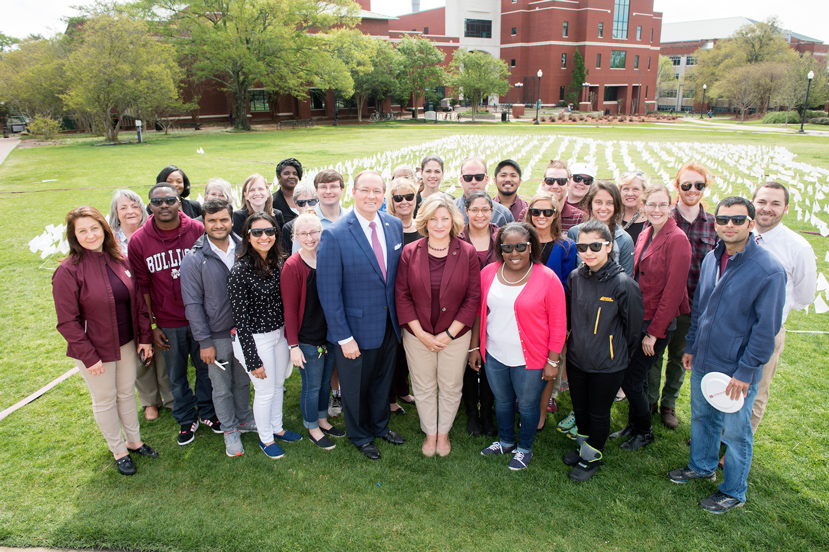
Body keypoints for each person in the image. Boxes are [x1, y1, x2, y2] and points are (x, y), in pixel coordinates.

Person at [668, 196, 786, 514]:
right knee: (703, 417)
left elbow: (766, 331)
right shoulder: (711, 258)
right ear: (715, 223)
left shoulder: (769, 271)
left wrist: (747, 371)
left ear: (750, 223)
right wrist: (691, 345)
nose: (729, 225)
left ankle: (733, 490)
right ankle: (702, 465)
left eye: (737, 219)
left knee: (735, 432)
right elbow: (701, 308)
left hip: (737, 368)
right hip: (705, 359)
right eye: (722, 220)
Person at [52, 206, 158, 476]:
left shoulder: (119, 259)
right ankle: (118, 450)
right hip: (94, 350)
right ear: (74, 236)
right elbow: (67, 322)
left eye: (94, 228)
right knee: (105, 398)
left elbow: (137, 303)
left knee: (125, 394)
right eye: (82, 231)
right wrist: (89, 356)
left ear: (104, 229)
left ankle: (134, 441)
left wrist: (144, 338)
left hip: (125, 343)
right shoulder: (67, 271)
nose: (90, 235)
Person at [317, 170, 406, 461]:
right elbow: (329, 292)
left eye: (377, 191)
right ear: (353, 192)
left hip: (388, 326)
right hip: (353, 331)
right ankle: (360, 435)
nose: (371, 196)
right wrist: (344, 337)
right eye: (365, 190)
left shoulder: (394, 225)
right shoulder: (335, 233)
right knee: (355, 389)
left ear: (384, 195)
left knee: (382, 382)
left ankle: (380, 427)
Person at [470, 222, 566, 471]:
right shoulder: (489, 273)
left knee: (527, 404)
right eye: (508, 247)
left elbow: (558, 323)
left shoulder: (547, 278)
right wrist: (475, 348)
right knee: (502, 401)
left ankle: (524, 448)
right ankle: (505, 441)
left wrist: (553, 361)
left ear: (531, 247)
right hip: (495, 354)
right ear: (500, 249)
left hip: (532, 358)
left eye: (521, 247)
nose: (515, 253)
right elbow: (480, 313)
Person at [129, 183, 218, 446]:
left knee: (206, 370)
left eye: (170, 200)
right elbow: (142, 286)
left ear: (180, 202)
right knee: (176, 375)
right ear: (150, 206)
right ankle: (185, 418)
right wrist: (152, 325)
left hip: (200, 319)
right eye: (158, 202)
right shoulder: (139, 241)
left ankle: (208, 413)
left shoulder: (198, 230)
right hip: (168, 322)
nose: (164, 205)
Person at [396, 195, 482, 457]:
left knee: (450, 385)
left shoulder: (466, 252)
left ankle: (443, 433)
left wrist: (448, 334)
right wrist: (421, 334)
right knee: (422, 386)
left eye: (444, 218)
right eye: (433, 218)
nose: (439, 224)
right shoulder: (411, 252)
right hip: (417, 335)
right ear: (425, 221)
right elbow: (402, 295)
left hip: (454, 336)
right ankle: (429, 433)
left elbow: (473, 297)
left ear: (454, 220)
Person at [612, 184, 691, 450]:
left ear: (671, 206)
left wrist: (655, 332)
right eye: (652, 205)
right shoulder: (646, 233)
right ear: (644, 207)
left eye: (662, 205)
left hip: (657, 323)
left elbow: (673, 291)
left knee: (631, 379)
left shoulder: (677, 238)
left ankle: (645, 431)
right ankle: (633, 426)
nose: (656, 210)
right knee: (638, 377)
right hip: (639, 317)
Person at [563, 220, 644, 481]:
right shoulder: (576, 277)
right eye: (582, 246)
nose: (588, 252)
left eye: (595, 246)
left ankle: (592, 457)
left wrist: (615, 354)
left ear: (609, 246)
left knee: (598, 413)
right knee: (581, 408)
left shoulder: (624, 284)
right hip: (577, 360)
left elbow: (633, 331)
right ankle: (583, 447)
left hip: (608, 365)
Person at [181, 199, 256, 457]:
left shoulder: (246, 247)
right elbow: (192, 304)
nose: (218, 225)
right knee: (221, 386)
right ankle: (230, 429)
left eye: (223, 219)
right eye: (211, 220)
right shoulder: (194, 258)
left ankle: (245, 419)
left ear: (231, 219)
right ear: (203, 222)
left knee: (243, 379)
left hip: (246, 332)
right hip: (217, 335)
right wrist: (204, 342)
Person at [228, 213, 303, 459]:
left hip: (279, 335)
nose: (264, 237)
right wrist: (252, 359)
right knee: (265, 390)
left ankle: (278, 428)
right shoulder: (239, 270)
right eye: (257, 232)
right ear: (247, 236)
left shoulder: (281, 261)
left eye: (269, 231)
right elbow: (240, 319)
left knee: (278, 385)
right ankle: (266, 438)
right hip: (256, 339)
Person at [648, 162, 716, 429]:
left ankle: (669, 403)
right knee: (652, 355)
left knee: (679, 357)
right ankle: (650, 400)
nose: (692, 190)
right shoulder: (663, 217)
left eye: (699, 185)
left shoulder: (712, 223)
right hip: (660, 302)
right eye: (686, 185)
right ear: (677, 187)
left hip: (691, 306)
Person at [750, 182, 817, 433]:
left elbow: (805, 295)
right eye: (762, 202)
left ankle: (735, 449)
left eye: (776, 203)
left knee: (757, 389)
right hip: (732, 326)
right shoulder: (737, 234)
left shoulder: (798, 247)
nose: (768, 208)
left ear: (786, 208)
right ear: (753, 203)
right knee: (727, 383)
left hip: (767, 330)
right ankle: (718, 435)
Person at [281, 212, 346, 450]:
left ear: (322, 232)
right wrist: (293, 345)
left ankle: (322, 419)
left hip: (329, 335)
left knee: (326, 382)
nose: (310, 238)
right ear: (295, 236)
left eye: (314, 232)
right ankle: (312, 427)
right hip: (307, 339)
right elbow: (289, 309)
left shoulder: (328, 258)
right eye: (304, 233)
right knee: (312, 385)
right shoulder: (292, 265)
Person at [109, 189, 172, 420]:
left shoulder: (153, 233)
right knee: (140, 354)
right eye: (123, 207)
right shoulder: (110, 241)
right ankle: (149, 401)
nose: (130, 211)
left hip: (155, 299)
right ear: (116, 213)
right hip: (127, 305)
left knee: (164, 349)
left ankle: (170, 396)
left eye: (134, 206)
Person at [523, 192, 578, 423]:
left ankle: (542, 411)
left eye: (548, 211)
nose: (542, 216)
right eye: (536, 211)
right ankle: (524, 402)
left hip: (550, 316)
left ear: (555, 214)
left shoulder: (566, 246)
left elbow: (567, 286)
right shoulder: (522, 241)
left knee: (548, 364)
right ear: (529, 214)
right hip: (523, 315)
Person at [457, 190, 498, 436]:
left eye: (485, 209)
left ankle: (488, 414)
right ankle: (472, 412)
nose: (480, 214)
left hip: (495, 311)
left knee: (492, 362)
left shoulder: (502, 237)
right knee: (469, 363)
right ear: (466, 211)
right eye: (475, 209)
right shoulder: (457, 237)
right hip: (465, 309)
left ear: (492, 212)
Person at [310, 169, 348, 417]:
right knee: (328, 347)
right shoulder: (309, 221)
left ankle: (348, 390)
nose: (328, 191)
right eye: (323, 187)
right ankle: (334, 393)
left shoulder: (352, 217)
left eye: (333, 186)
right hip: (318, 292)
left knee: (345, 343)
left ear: (342, 189)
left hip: (349, 291)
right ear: (316, 191)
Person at [385, 177, 421, 415]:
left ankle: (403, 389)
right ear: (391, 200)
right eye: (398, 197)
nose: (404, 202)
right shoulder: (386, 226)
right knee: (392, 351)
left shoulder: (423, 227)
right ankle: (390, 399)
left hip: (418, 298)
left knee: (410, 350)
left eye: (409, 197)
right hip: (391, 299)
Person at [568, 180, 635, 275]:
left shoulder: (624, 239)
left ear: (616, 206)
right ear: (591, 204)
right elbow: (571, 273)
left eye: (609, 203)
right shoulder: (575, 233)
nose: (603, 208)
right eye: (598, 202)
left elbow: (627, 279)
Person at [453, 156, 514, 226]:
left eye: (479, 177)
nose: (473, 182)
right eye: (468, 177)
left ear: (486, 179)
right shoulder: (450, 211)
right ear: (461, 180)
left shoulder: (503, 215)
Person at [539, 160, 586, 233]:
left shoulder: (579, 218)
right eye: (550, 181)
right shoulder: (529, 213)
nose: (555, 186)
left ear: (568, 185)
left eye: (561, 181)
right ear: (543, 184)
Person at [232, 173, 285, 237]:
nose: (257, 193)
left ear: (268, 192)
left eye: (261, 189)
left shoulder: (277, 215)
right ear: (246, 195)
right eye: (252, 190)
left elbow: (280, 242)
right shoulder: (238, 216)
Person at [281, 183, 319, 254]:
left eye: (311, 202)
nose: (307, 206)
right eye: (301, 203)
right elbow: (287, 257)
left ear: (317, 203)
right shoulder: (288, 228)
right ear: (296, 205)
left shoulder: (323, 223)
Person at [619, 171, 650, 245]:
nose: (630, 193)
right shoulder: (612, 216)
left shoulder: (650, 220)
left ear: (644, 192)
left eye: (635, 189)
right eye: (626, 189)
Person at [272, 158, 303, 224]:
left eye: (295, 173)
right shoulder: (272, 202)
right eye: (286, 173)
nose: (291, 176)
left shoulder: (308, 198)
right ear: (279, 177)